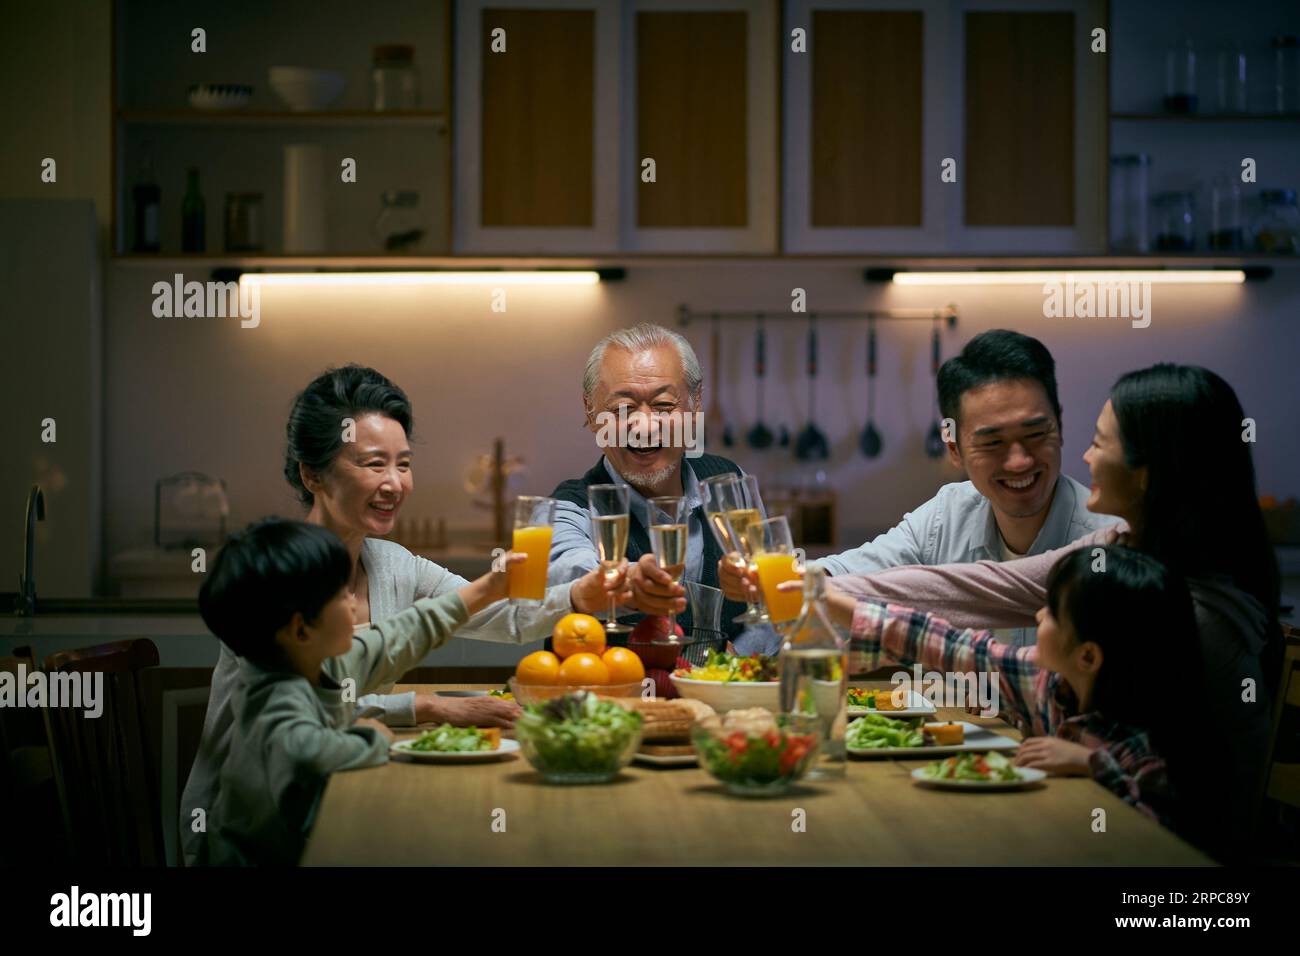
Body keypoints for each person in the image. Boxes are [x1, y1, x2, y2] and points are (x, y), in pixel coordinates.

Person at [821, 364, 1282, 858]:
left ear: (1145, 471)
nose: (1086, 455)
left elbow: (1183, 794)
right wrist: (817, 588)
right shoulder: (1122, 546)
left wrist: (1094, 763)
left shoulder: (1191, 617)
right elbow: (987, 600)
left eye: (1100, 443)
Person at [181, 365, 625, 865]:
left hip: (334, 805)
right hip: (258, 843)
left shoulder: (391, 563)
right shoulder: (273, 581)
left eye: (404, 464)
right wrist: (423, 708)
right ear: (312, 473)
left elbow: (469, 620)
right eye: (374, 464)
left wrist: (576, 596)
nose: (395, 483)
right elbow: (304, 716)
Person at [720, 329, 1117, 646]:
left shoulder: (1106, 538)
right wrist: (775, 579)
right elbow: (857, 570)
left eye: (1035, 434)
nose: (1019, 461)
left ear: (1060, 425)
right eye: (992, 442)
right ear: (954, 448)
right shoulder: (947, 514)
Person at [845, 545, 1223, 857]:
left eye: (1053, 611)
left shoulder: (1145, 746)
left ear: (1088, 657)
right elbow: (955, 646)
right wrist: (835, 603)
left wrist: (1094, 764)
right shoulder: (1047, 684)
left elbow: (1159, 844)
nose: (1039, 614)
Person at [195, 518, 523, 865]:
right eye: (340, 595)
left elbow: (402, 634)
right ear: (301, 630)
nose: (353, 603)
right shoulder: (276, 697)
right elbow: (308, 753)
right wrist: (370, 737)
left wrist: (487, 589)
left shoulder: (316, 660)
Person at [549, 323, 750, 635]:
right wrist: (630, 582)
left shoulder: (729, 482)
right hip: (613, 682)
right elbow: (564, 578)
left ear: (695, 406)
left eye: (663, 405)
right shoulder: (566, 507)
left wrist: (742, 659)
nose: (643, 427)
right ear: (590, 411)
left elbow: (763, 601)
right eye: (622, 408)